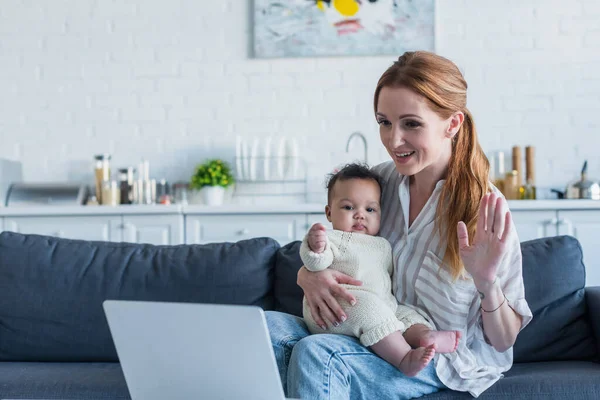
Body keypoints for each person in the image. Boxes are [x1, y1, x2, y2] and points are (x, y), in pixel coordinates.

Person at [266, 50, 533, 400]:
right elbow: (329, 243)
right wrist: (308, 276)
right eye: (384, 122)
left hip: (441, 360)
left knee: (319, 354)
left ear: (452, 124)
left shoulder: (484, 207)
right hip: (364, 329)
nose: (394, 141)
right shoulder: (378, 185)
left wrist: (487, 283)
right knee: (266, 328)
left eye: (411, 124)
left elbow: (503, 341)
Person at [300, 163, 461, 377]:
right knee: (370, 307)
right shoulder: (332, 238)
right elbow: (315, 264)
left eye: (370, 209)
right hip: (334, 309)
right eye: (348, 207)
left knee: (401, 312)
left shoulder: (382, 245)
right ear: (329, 212)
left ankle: (424, 335)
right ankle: (403, 357)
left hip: (379, 303)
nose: (360, 215)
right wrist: (317, 246)